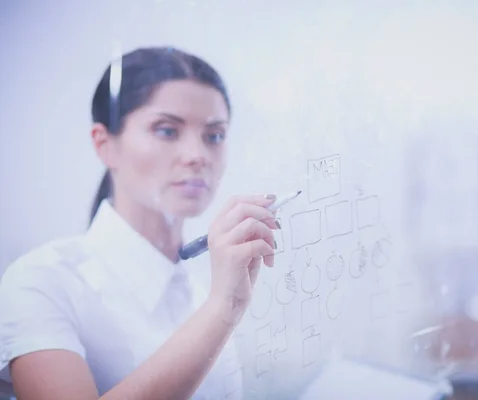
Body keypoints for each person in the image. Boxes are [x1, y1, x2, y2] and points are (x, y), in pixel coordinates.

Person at [0, 46, 279, 400]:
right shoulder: (41, 281)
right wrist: (223, 308)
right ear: (105, 145)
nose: (197, 156)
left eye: (214, 135)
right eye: (166, 131)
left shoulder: (198, 292)